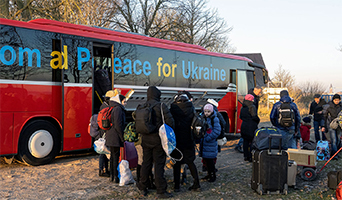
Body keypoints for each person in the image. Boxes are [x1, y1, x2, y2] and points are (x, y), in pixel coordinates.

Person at [137, 86, 174, 199]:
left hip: (145, 140)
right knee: (159, 165)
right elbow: (170, 122)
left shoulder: (142, 106)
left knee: (146, 163)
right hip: (158, 141)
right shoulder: (161, 106)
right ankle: (161, 190)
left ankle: (143, 186)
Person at [170, 92, 200, 192]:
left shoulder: (173, 109)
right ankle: (196, 183)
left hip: (177, 141)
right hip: (188, 139)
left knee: (177, 164)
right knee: (190, 162)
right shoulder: (191, 108)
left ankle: (177, 186)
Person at [106, 94, 127, 183]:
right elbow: (118, 124)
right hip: (115, 136)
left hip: (110, 135)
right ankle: (115, 177)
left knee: (112, 157)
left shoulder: (112, 107)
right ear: (119, 100)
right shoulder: (118, 109)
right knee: (115, 156)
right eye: (124, 101)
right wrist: (122, 137)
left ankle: (112, 176)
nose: (125, 103)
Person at [235, 86, 262, 153]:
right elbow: (253, 115)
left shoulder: (244, 105)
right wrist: (257, 119)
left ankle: (245, 153)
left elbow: (241, 116)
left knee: (245, 138)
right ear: (255, 90)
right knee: (250, 140)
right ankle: (248, 154)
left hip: (245, 125)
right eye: (259, 92)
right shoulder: (251, 104)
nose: (259, 93)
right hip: (251, 124)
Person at [97, 90, 117, 177]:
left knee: (104, 150)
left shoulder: (103, 106)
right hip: (104, 131)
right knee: (103, 150)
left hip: (103, 130)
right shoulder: (106, 107)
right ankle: (102, 169)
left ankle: (103, 169)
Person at [200, 103, 221, 182]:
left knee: (210, 161)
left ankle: (212, 176)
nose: (206, 113)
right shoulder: (203, 118)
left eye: (208, 111)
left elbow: (217, 131)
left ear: (211, 112)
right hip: (205, 143)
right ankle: (209, 174)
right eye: (205, 111)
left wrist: (208, 138)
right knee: (206, 161)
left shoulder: (214, 119)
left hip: (210, 143)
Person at [240, 94, 260, 162]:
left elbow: (240, 117)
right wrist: (258, 120)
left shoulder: (243, 107)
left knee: (245, 142)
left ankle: (245, 156)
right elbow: (254, 116)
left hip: (244, 126)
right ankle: (251, 157)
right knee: (252, 142)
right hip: (251, 126)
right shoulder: (252, 106)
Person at [322, 94, 342, 159]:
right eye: (336, 100)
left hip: (339, 125)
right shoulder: (329, 106)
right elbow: (324, 117)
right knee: (333, 140)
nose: (337, 101)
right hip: (331, 125)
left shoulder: (341, 106)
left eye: (338, 100)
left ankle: (336, 151)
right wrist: (324, 126)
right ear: (333, 100)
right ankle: (334, 155)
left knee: (338, 139)